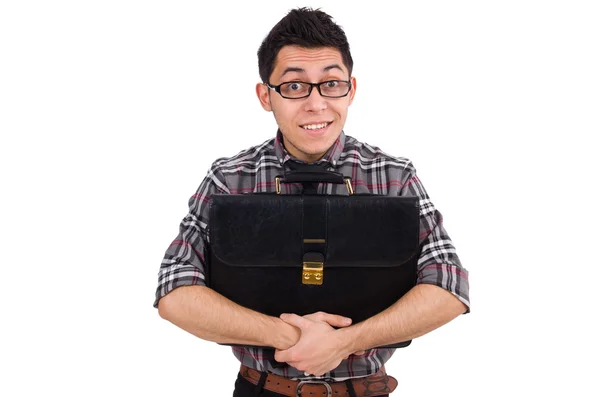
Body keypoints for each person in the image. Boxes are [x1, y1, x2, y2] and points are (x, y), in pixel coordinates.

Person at [154, 7, 470, 397]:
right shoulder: (228, 179)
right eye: (294, 86)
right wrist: (288, 335)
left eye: (331, 84)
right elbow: (174, 290)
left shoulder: (394, 175)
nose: (317, 104)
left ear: (351, 89)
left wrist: (343, 343)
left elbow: (450, 286)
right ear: (265, 96)